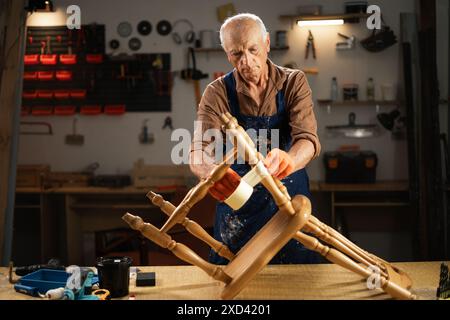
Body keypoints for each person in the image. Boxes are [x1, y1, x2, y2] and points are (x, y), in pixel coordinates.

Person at [189, 13, 321, 264]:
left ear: (267, 44)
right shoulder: (217, 92)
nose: (246, 62)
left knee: (299, 280)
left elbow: (308, 140)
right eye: (236, 54)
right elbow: (198, 150)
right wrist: (211, 173)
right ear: (227, 54)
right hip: (239, 210)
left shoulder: (293, 82)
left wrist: (290, 160)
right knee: (235, 280)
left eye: (253, 49)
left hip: (289, 203)